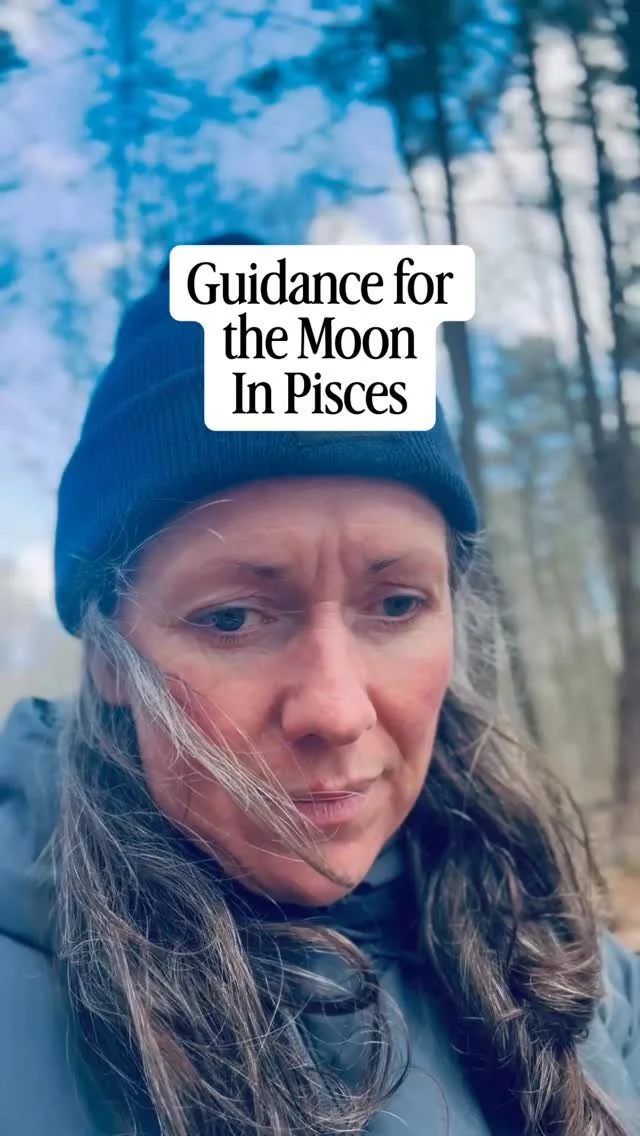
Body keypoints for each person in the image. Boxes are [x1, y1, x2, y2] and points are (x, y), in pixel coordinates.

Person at [0, 234, 639, 1136]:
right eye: (232, 618)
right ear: (109, 658)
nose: (337, 712)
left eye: (397, 604)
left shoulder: (569, 964)